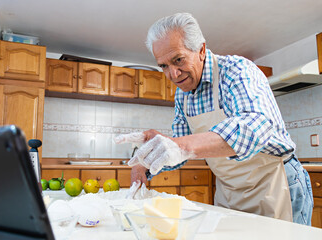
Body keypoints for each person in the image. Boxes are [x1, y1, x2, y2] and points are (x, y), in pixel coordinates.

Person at [115, 13, 313, 225]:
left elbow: (255, 126)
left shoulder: (237, 70)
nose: (172, 74)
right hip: (229, 192)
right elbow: (179, 148)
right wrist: (146, 161)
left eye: (178, 60)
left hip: (275, 186)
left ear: (200, 50)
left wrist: (178, 145)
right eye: (163, 66)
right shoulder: (183, 94)